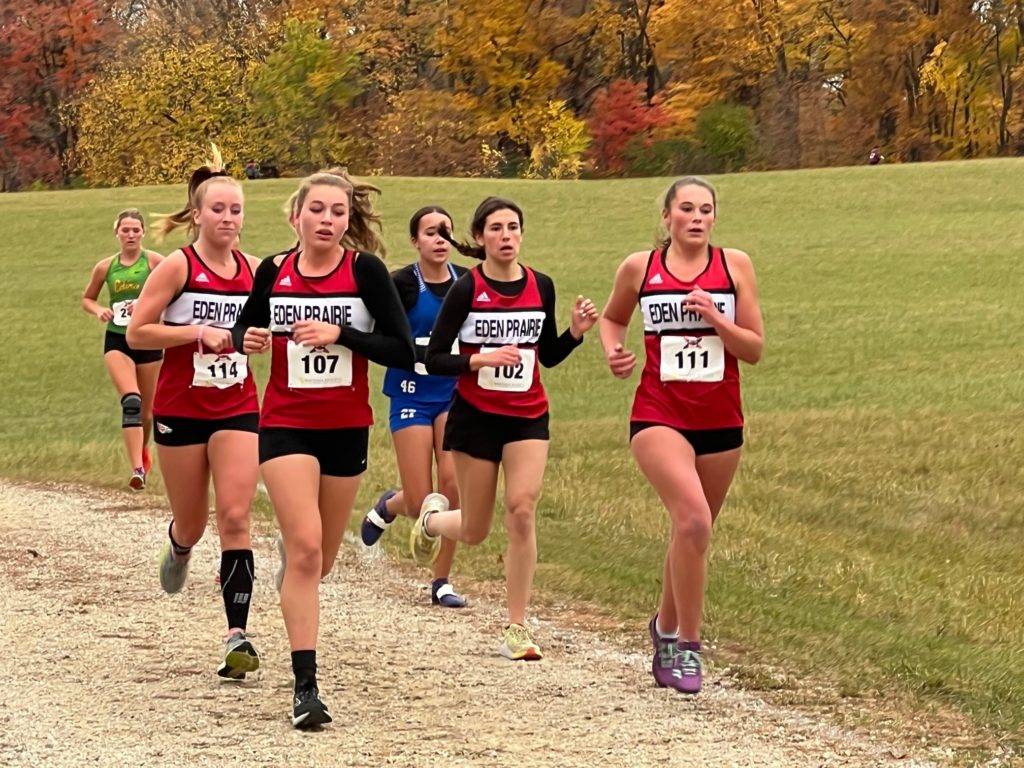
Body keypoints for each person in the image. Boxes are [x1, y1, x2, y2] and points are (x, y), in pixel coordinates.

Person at [232, 169, 414, 729]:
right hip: (285, 423)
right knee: (308, 549)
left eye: (338, 212)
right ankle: (305, 687)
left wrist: (342, 335)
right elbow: (246, 330)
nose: (328, 220)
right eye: (318, 210)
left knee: (320, 561)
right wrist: (252, 339)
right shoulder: (273, 271)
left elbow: (402, 349)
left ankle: (297, 569)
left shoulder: (366, 272)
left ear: (347, 219)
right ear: (298, 215)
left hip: (345, 427)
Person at [409, 196, 598, 660]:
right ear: (480, 238)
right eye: (496, 228)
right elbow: (433, 358)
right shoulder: (466, 290)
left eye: (514, 227)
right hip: (475, 418)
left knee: (521, 509)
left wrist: (573, 333)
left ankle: (516, 625)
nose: (506, 235)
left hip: (528, 416)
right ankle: (432, 521)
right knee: (474, 529)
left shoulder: (542, 285)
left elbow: (547, 354)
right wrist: (480, 358)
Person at [598, 176, 764, 694]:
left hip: (720, 421)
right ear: (667, 217)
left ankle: (664, 626)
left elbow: (754, 349)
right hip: (658, 414)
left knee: (692, 532)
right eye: (686, 208)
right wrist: (614, 351)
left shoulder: (734, 266)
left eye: (706, 210)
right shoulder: (640, 267)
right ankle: (689, 647)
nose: (697, 217)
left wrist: (716, 317)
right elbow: (611, 318)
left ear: (715, 218)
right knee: (692, 520)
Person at [126, 146, 263, 682]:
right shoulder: (180, 265)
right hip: (182, 409)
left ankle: (237, 635)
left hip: (237, 406)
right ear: (198, 214)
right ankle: (180, 545)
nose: (228, 219)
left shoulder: (255, 270)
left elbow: (258, 330)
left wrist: (255, 340)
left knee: (234, 516)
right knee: (194, 520)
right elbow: (138, 331)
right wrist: (196, 334)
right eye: (219, 210)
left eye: (236, 211)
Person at [359, 206, 470, 609]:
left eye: (446, 232)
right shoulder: (402, 284)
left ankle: (441, 581)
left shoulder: (467, 282)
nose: (440, 239)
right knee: (423, 498)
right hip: (410, 393)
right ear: (415, 242)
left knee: (453, 489)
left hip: (454, 393)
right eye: (430, 232)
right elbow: (375, 332)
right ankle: (389, 504)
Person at [81, 209, 164, 490]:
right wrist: (99, 310)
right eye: (125, 230)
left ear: (143, 233)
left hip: (149, 341)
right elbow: (87, 299)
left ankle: (143, 452)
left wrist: (154, 308)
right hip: (118, 340)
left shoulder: (155, 262)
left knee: (147, 413)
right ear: (116, 232)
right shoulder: (106, 267)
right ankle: (137, 470)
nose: (130, 235)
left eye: (135, 230)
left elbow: (177, 291)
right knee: (131, 401)